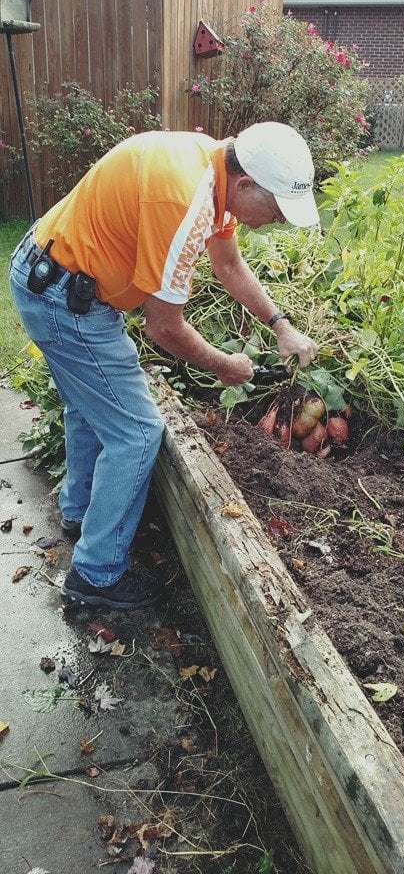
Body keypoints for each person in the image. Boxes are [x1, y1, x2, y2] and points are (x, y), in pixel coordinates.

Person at [9, 121, 319, 610]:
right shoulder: (182, 200)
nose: (277, 220)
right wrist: (224, 365)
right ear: (246, 185)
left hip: (54, 278)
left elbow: (229, 265)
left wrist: (280, 325)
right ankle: (95, 575)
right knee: (136, 432)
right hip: (62, 299)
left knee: (91, 409)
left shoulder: (213, 169)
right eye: (277, 209)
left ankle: (80, 512)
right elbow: (164, 328)